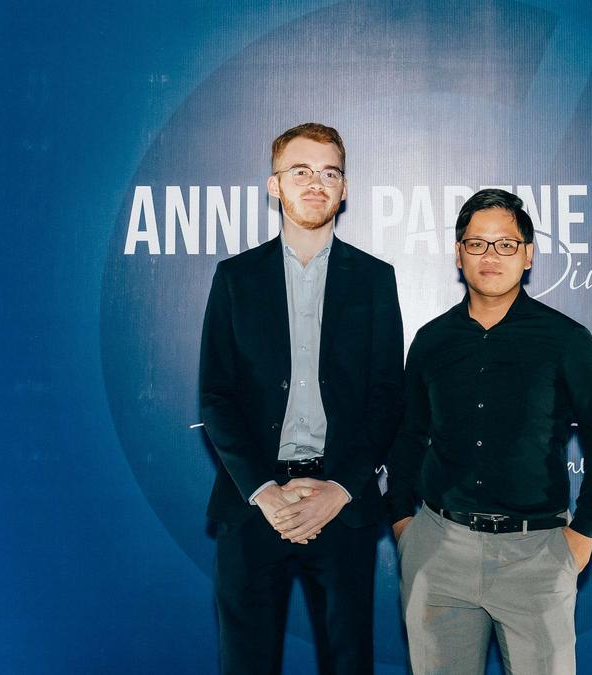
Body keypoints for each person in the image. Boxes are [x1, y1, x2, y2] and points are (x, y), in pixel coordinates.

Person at [386, 188, 592, 674]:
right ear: (459, 254)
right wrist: (400, 521)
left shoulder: (565, 339)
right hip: (438, 551)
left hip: (537, 555)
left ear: (528, 254)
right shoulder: (432, 340)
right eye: (477, 244)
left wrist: (585, 531)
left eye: (505, 244)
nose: (490, 256)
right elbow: (408, 435)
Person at [199, 122, 404, 675]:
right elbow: (216, 396)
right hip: (252, 505)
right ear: (275, 185)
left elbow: (388, 397)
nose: (317, 182)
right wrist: (265, 492)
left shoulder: (375, 279)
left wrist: (339, 489)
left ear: (344, 189)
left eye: (330, 173)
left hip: (341, 506)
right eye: (301, 171)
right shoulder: (236, 278)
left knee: (349, 662)